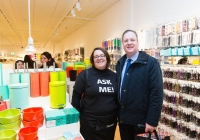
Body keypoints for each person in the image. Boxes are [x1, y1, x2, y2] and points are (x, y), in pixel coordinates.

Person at [116, 29, 163, 140]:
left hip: (141, 122)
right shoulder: (120, 63)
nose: (129, 43)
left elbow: (157, 93)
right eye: (126, 40)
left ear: (137, 42)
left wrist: (152, 121)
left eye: (132, 40)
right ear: (123, 44)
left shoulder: (151, 63)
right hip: (124, 121)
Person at [72, 47, 118, 140]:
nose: (99, 58)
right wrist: (76, 118)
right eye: (96, 56)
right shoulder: (85, 75)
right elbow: (76, 97)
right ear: (93, 60)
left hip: (109, 122)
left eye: (102, 55)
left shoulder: (114, 76)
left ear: (107, 58)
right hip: (89, 122)